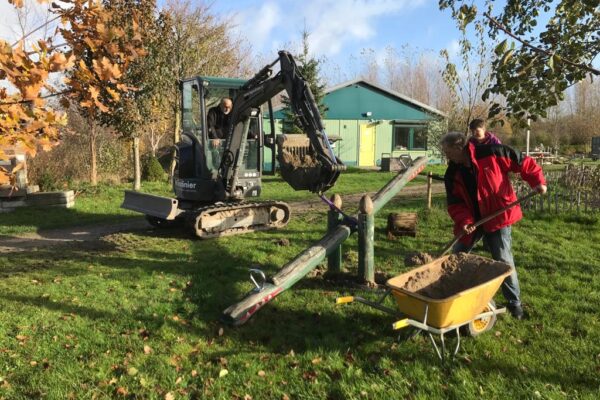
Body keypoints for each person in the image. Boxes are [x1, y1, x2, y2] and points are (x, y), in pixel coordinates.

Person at [440, 131, 547, 320]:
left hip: (498, 215)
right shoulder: (452, 172)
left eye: (447, 151)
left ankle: (514, 303)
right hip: (472, 220)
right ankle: (447, 293)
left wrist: (537, 182)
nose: (445, 155)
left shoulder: (492, 152)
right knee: (457, 255)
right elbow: (455, 203)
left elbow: (523, 162)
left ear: (459, 148)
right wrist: (465, 221)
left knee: (503, 260)